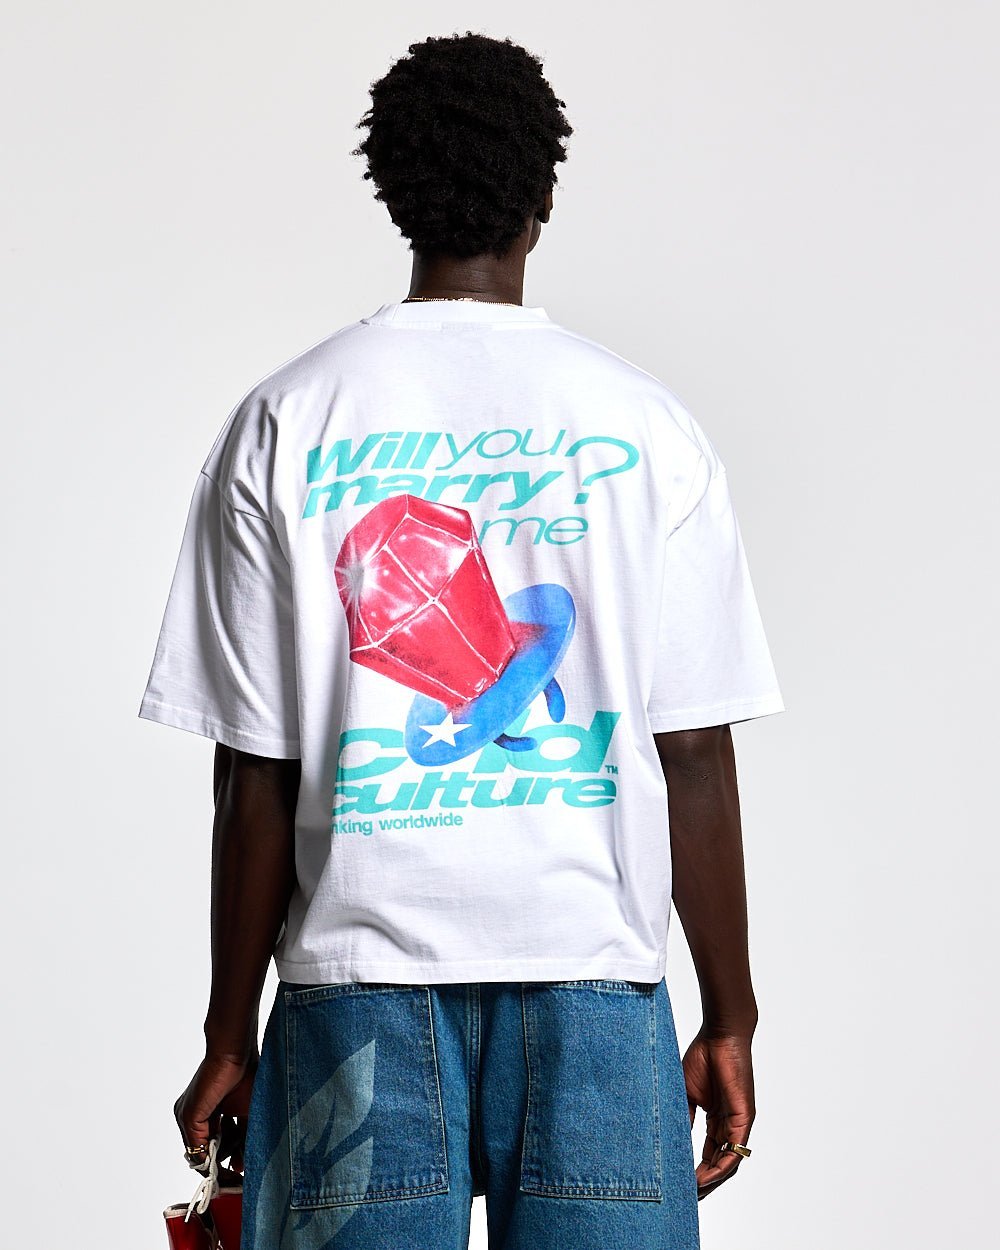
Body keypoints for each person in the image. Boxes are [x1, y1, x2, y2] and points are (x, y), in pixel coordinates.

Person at [139, 30, 784, 1250]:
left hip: (355, 987)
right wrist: (730, 1014)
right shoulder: (647, 426)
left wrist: (229, 1029)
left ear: (392, 190)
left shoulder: (284, 418)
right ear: (545, 195)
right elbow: (693, 748)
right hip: (598, 989)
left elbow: (257, 772)